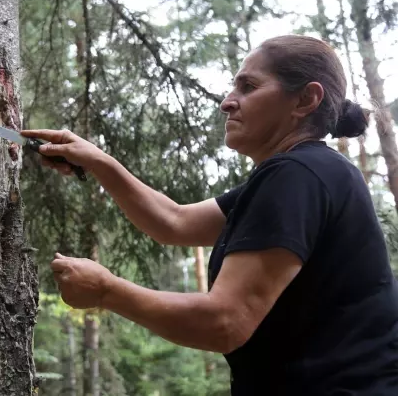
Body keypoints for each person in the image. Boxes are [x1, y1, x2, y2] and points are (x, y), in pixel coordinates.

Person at [21, 34, 398, 395]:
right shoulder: (303, 173)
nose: (227, 102)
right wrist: (98, 160)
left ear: (305, 100)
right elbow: (174, 222)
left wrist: (106, 290)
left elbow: (225, 321)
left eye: (248, 87)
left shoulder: (299, 175)